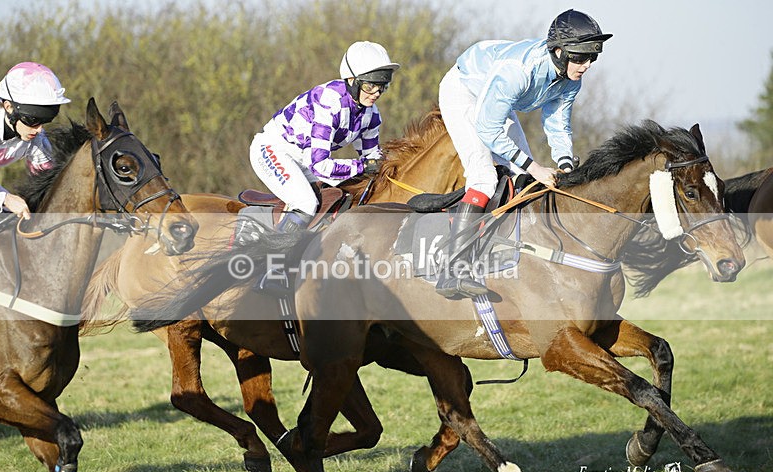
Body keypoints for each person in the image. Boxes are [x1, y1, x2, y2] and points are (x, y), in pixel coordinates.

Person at [435, 9, 612, 298]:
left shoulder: (571, 79)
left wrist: (564, 161)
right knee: (483, 178)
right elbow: (487, 129)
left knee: (523, 179)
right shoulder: (518, 72)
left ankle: (502, 254)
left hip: (495, 98)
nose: (586, 66)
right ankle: (451, 271)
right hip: (464, 91)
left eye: (592, 58)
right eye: (580, 58)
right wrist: (534, 166)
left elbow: (557, 121)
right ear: (558, 52)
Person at [249, 41, 399, 232]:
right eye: (370, 86)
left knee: (345, 192)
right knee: (306, 203)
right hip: (273, 150)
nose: (377, 93)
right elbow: (321, 166)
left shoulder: (371, 114)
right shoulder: (329, 102)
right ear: (352, 80)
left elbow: (373, 158)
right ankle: (272, 257)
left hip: (305, 158)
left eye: (382, 86)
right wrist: (363, 166)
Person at [0, 62, 71, 228]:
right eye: (32, 121)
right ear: (9, 107)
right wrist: (3, 198)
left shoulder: (37, 139)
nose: (39, 130)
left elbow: (48, 185)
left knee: (8, 218)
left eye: (45, 121)